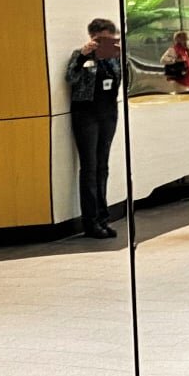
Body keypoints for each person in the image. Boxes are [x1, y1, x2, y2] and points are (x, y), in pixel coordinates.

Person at [65, 18, 126, 239]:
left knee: (103, 167)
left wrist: (120, 55)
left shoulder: (114, 59)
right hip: (86, 114)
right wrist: (83, 55)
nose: (106, 43)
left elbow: (124, 81)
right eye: (102, 39)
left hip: (108, 113)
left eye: (110, 39)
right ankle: (90, 222)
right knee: (89, 168)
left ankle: (103, 218)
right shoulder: (80, 55)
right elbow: (70, 77)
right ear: (92, 37)